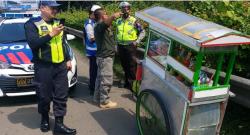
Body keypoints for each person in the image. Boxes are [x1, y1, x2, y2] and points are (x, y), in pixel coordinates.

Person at [24, 0, 76, 134]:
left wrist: (68, 59)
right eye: (52, 8)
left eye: (56, 8)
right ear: (42, 8)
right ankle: (45, 119)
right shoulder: (32, 24)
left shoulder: (58, 23)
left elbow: (63, 42)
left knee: (61, 95)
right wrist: (51, 34)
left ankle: (59, 125)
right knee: (44, 96)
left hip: (60, 66)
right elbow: (33, 44)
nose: (55, 10)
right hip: (43, 67)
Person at [114, 1, 145, 90]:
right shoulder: (118, 21)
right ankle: (127, 82)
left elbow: (143, 31)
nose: (125, 10)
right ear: (121, 10)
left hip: (130, 46)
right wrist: (116, 44)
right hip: (120, 46)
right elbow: (117, 33)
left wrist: (137, 41)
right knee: (124, 64)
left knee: (131, 65)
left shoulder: (134, 21)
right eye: (123, 8)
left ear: (129, 9)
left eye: (127, 8)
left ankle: (132, 85)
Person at [93, 8, 120, 108]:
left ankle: (97, 98)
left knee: (100, 79)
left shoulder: (102, 26)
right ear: (102, 16)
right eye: (106, 14)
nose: (107, 15)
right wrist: (113, 16)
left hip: (103, 57)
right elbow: (106, 23)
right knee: (106, 79)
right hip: (105, 58)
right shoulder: (99, 26)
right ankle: (104, 102)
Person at [83, 5, 101, 95]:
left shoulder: (94, 22)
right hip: (92, 50)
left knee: (96, 69)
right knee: (94, 70)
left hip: (96, 50)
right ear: (93, 13)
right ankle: (92, 88)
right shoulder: (89, 23)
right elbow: (91, 38)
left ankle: (93, 86)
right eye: (97, 13)